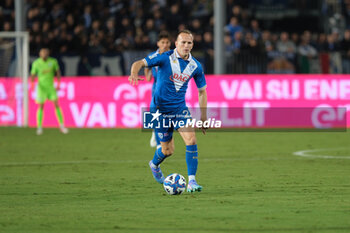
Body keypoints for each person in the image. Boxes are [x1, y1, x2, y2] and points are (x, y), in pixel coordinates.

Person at [129, 30, 207, 193]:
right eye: (183, 42)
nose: (186, 45)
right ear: (176, 44)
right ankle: (154, 164)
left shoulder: (196, 66)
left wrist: (204, 116)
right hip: (159, 111)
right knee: (167, 150)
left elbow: (202, 92)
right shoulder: (165, 57)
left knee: (191, 140)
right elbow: (139, 63)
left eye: (189, 43)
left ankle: (192, 181)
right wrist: (134, 73)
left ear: (193, 45)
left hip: (179, 109)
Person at [30, 48, 68, 135]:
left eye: (45, 53)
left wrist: (58, 84)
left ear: (48, 54)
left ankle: (62, 126)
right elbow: (32, 75)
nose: (43, 54)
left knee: (56, 104)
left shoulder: (53, 61)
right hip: (41, 88)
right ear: (40, 54)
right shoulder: (36, 63)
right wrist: (32, 85)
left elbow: (58, 72)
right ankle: (39, 127)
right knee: (41, 106)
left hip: (51, 87)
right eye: (42, 53)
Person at [144, 32, 171, 148]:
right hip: (156, 89)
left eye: (167, 42)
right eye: (162, 42)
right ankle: (160, 143)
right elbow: (146, 66)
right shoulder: (153, 56)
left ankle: (157, 134)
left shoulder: (174, 56)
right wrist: (148, 75)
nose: (165, 45)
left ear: (170, 43)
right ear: (158, 43)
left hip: (170, 90)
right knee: (155, 114)